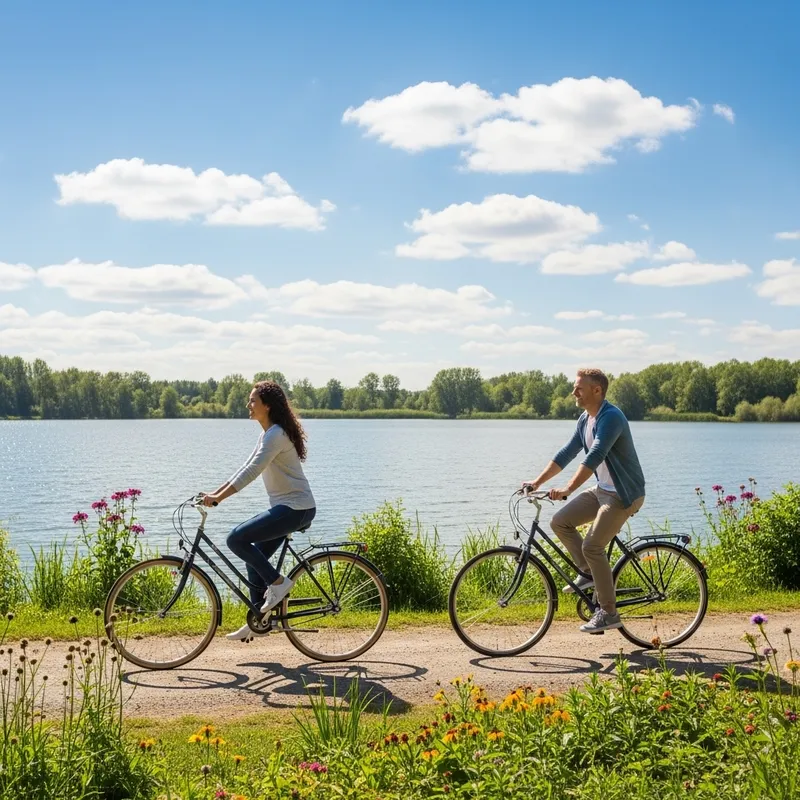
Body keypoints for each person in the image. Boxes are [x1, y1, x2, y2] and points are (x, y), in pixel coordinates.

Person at [523, 368, 645, 634]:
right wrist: (537, 482)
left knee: (592, 546)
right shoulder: (585, 420)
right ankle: (589, 574)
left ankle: (609, 612)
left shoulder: (611, 417)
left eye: (579, 388)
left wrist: (567, 488)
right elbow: (567, 453)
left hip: (624, 494)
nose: (573, 392)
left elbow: (595, 456)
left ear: (596, 390)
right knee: (560, 521)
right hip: (603, 489)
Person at [201, 380, 316, 641]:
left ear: (267, 405)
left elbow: (252, 473)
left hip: (296, 509)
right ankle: (259, 619)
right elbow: (244, 467)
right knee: (254, 560)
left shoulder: (276, 434)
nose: (248, 405)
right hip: (288, 508)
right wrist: (213, 493)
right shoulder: (267, 434)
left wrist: (219, 498)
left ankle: (278, 584)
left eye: (253, 400)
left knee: (235, 538)